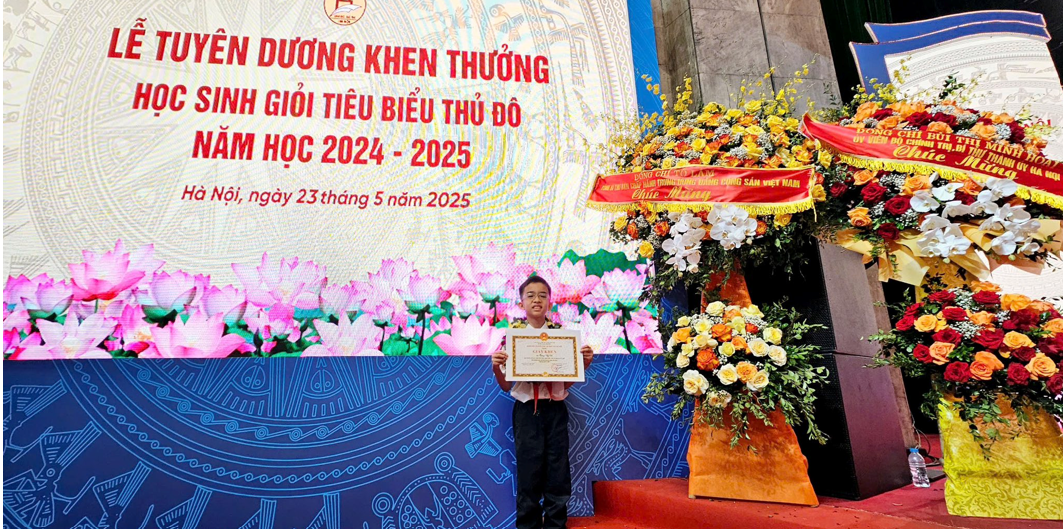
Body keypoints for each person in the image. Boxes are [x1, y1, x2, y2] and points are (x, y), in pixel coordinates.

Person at [491, 275, 593, 529]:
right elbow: (506, 386)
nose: (537, 300)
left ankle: (556, 525)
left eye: (542, 295)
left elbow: (565, 384)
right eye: (530, 295)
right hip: (526, 411)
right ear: (521, 302)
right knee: (529, 472)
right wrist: (495, 368)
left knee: (558, 470)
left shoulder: (562, 338)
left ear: (550, 302)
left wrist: (584, 363)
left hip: (555, 409)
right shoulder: (513, 338)